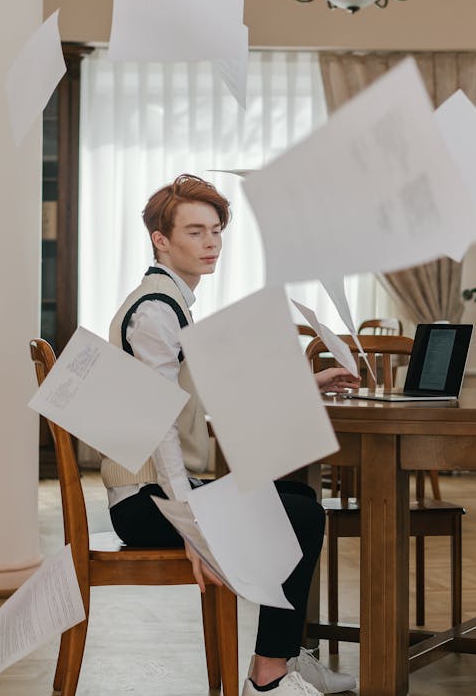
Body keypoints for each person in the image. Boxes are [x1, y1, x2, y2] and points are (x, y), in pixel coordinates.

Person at [102, 174, 360, 695]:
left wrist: (310, 382)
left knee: (298, 497)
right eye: (195, 231)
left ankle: (281, 657)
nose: (212, 242)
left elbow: (214, 398)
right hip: (144, 503)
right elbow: (161, 435)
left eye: (217, 230)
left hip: (158, 493)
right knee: (303, 514)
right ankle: (269, 676)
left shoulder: (170, 303)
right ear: (161, 239)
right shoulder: (154, 311)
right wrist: (192, 521)